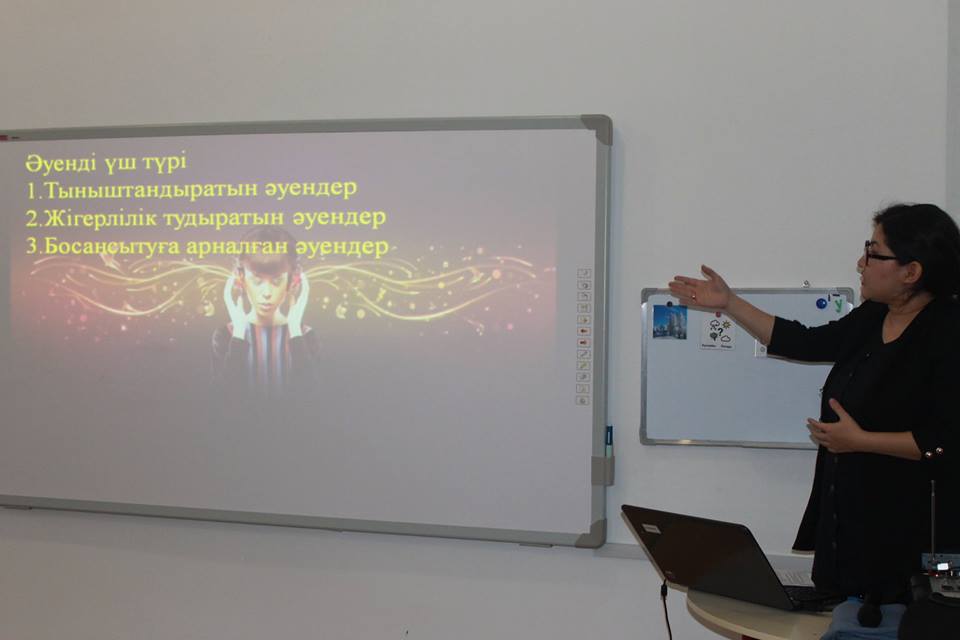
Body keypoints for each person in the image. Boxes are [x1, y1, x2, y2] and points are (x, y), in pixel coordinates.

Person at [668, 203, 960, 606]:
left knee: (901, 621)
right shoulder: (874, 315)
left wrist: (861, 441)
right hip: (850, 522)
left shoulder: (947, 331)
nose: (860, 263)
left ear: (911, 272)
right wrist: (729, 302)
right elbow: (806, 341)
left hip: (916, 535)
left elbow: (945, 441)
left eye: (873, 253)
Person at [212, 226, 320, 395]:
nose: (267, 293)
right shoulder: (225, 335)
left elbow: (312, 398)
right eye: (257, 280)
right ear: (241, 279)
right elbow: (223, 398)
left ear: (291, 281)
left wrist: (295, 331)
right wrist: (238, 334)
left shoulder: (305, 336)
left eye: (277, 280)